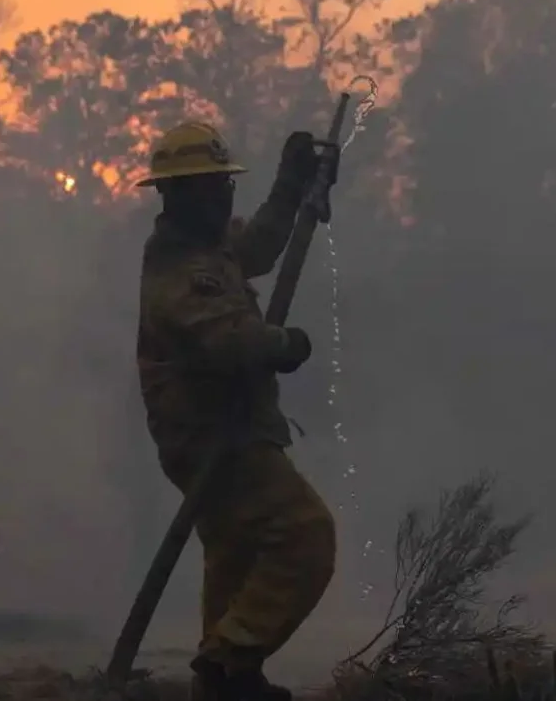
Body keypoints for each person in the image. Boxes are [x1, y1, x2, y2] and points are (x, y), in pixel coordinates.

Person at [135, 121, 338, 701]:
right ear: (180, 196)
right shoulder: (180, 276)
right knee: (304, 536)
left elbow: (261, 245)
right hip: (214, 440)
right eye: (214, 186)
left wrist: (291, 185)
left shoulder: (208, 248)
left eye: (226, 184)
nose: (225, 195)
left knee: (235, 556)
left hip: (229, 432)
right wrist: (286, 344)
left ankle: (222, 683)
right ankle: (228, 662)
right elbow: (227, 340)